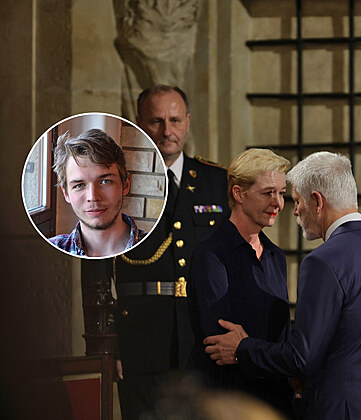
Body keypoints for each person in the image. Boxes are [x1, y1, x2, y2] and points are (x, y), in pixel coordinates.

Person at [204, 151, 361, 420]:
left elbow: (302, 358)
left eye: (297, 201)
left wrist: (243, 348)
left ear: (317, 202)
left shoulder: (323, 261)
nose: (294, 210)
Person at [113, 85, 230, 420]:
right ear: (139, 123)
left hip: (203, 336)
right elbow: (96, 267)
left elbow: (236, 261)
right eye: (157, 121)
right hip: (140, 338)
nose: (167, 131)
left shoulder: (216, 181)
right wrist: (106, 343)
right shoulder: (113, 183)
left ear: (188, 122)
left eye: (175, 120)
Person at [188, 148, 294, 416]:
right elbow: (220, 342)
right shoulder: (211, 253)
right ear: (238, 194)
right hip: (229, 400)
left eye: (281, 193)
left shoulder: (276, 256)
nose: (278, 203)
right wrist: (266, 353)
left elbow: (280, 335)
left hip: (275, 398)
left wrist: (248, 348)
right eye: (268, 193)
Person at [49, 128, 146, 257]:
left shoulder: (158, 248)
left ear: (126, 185)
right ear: (66, 193)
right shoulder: (47, 253)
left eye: (105, 182)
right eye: (79, 185)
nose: (93, 197)